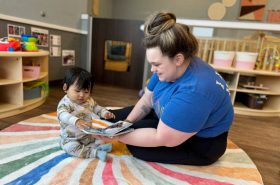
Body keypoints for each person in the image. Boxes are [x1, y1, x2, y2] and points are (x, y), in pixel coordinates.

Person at [97, 11, 234, 166]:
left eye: (156, 64)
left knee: (137, 147)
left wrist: (116, 137)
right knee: (111, 118)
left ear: (178, 59)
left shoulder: (194, 92)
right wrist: (125, 124)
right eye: (151, 64)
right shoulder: (169, 67)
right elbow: (147, 100)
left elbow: (161, 138)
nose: (152, 70)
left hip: (202, 144)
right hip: (169, 113)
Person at [57, 67, 115, 161]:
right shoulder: (65, 103)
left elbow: (96, 108)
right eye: (77, 91)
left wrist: (105, 113)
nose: (82, 95)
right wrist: (76, 121)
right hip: (71, 139)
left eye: (86, 91)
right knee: (71, 148)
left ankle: (98, 147)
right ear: (65, 88)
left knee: (101, 138)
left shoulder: (88, 100)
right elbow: (62, 115)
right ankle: (94, 153)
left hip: (88, 135)